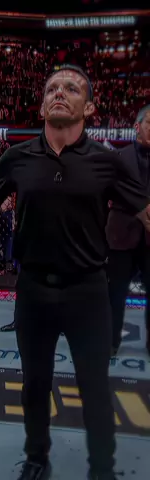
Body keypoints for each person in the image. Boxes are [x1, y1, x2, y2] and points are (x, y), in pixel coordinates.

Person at [0, 65, 150, 480]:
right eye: (52, 88)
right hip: (34, 290)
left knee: (94, 386)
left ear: (89, 107)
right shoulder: (17, 157)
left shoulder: (107, 162)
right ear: (41, 106)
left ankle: (103, 468)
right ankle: (37, 458)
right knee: (35, 383)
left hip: (88, 291)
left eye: (71, 88)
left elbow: (147, 212)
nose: (59, 92)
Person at [106, 105, 150, 356]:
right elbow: (110, 191)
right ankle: (111, 342)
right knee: (116, 292)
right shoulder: (119, 157)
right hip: (121, 234)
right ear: (137, 126)